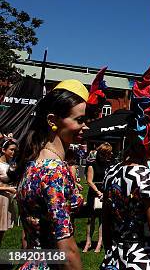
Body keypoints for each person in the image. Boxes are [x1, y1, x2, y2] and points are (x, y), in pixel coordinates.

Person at [100, 62, 150, 270]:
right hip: (141, 262)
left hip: (113, 261)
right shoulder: (149, 179)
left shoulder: (111, 172)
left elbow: (106, 230)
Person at [15, 80, 90, 270]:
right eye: (79, 120)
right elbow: (67, 249)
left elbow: (27, 238)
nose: (85, 127)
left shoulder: (33, 162)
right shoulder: (54, 171)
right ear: (52, 121)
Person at [83, 142, 113, 253]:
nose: (108, 156)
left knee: (102, 218)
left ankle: (100, 242)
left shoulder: (110, 164)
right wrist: (98, 192)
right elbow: (89, 181)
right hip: (94, 192)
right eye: (107, 154)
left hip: (105, 192)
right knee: (90, 219)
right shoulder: (92, 164)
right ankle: (88, 241)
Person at [0, 138, 17, 246]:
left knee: (2, 232)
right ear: (3, 150)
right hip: (1, 198)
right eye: (11, 150)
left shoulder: (10, 164)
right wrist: (8, 189)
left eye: (15, 150)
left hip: (6, 199)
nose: (13, 152)